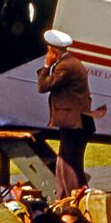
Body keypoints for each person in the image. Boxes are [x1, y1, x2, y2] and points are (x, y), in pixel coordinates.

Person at [36, 29, 95, 199]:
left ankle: (71, 198)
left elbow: (43, 87)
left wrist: (47, 66)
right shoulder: (73, 63)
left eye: (49, 51)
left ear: (53, 52)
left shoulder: (65, 67)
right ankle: (65, 197)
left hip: (73, 122)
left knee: (69, 164)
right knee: (65, 162)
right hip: (77, 121)